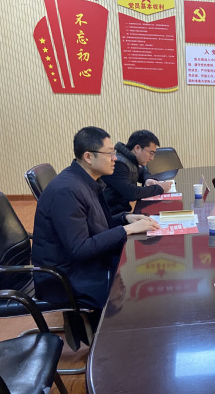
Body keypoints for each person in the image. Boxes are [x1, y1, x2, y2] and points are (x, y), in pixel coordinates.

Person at [32, 126, 160, 311]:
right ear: (88, 157)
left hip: (83, 264)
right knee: (135, 293)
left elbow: (96, 225)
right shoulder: (67, 191)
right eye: (109, 154)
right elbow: (80, 249)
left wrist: (125, 218)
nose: (115, 158)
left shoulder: (86, 181)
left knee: (138, 270)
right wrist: (126, 230)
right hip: (64, 277)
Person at [103, 129, 173, 215]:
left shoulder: (129, 160)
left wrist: (148, 179)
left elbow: (143, 172)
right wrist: (160, 188)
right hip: (112, 217)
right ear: (137, 148)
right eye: (151, 153)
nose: (152, 158)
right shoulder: (118, 164)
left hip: (123, 213)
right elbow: (132, 193)